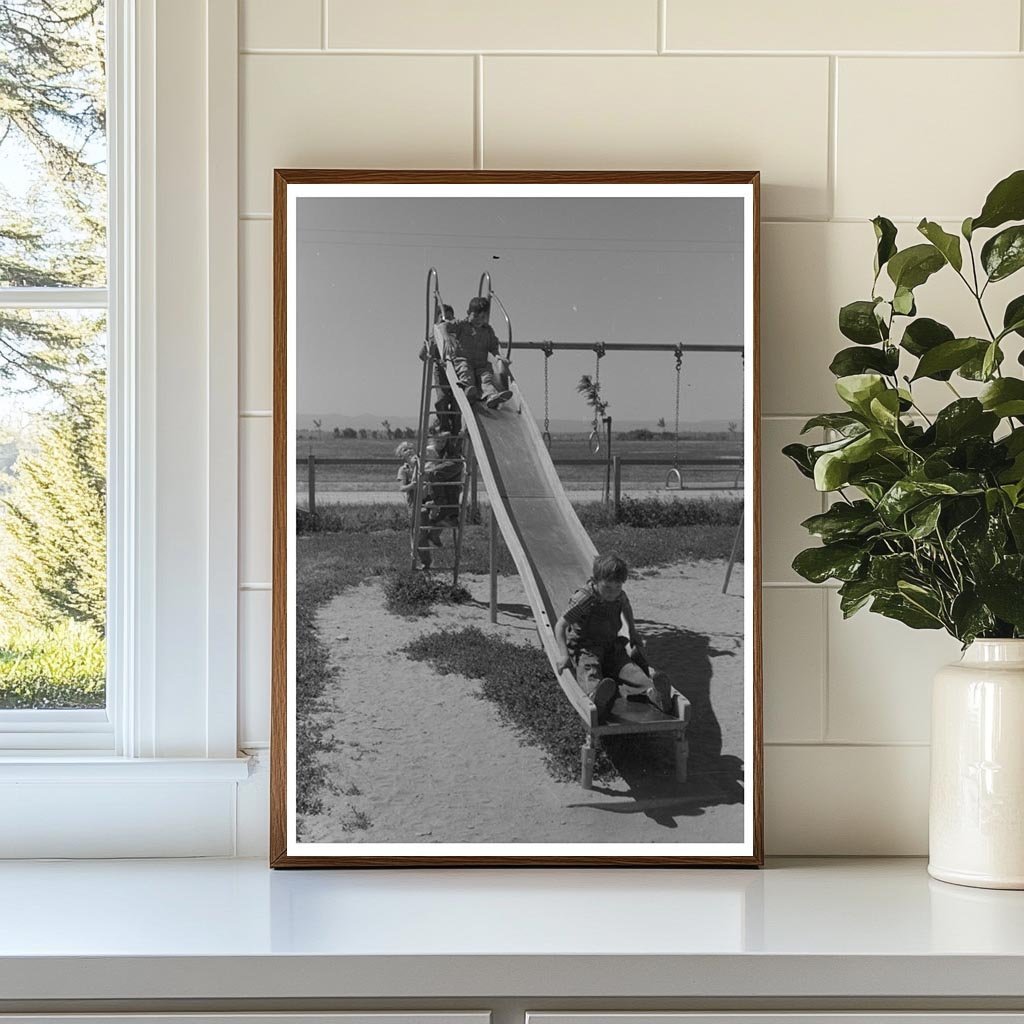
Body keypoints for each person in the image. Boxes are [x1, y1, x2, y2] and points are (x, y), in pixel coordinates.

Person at [554, 553, 674, 723]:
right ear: (596, 581)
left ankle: (654, 693)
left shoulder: (619, 595)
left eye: (618, 586)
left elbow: (626, 607)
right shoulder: (583, 599)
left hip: (611, 645)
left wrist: (632, 632)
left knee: (629, 669)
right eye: (608, 587)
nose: (613, 592)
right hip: (586, 647)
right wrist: (564, 655)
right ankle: (595, 695)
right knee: (589, 669)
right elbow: (560, 626)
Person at [449, 296, 513, 409]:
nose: (479, 320)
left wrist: (498, 356)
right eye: (475, 316)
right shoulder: (462, 325)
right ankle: (468, 390)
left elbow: (493, 346)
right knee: (465, 372)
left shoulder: (487, 330)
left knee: (486, 378)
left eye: (483, 317)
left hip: (481, 364)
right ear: (468, 313)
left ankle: (491, 396)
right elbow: (442, 326)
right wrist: (446, 338)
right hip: (464, 360)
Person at [395, 441, 440, 569]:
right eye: (405, 450)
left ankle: (433, 537)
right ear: (401, 456)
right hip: (414, 503)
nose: (409, 450)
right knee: (418, 534)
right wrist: (412, 485)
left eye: (410, 448)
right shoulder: (404, 469)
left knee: (429, 525)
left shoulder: (422, 465)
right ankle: (425, 561)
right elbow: (402, 488)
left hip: (427, 500)